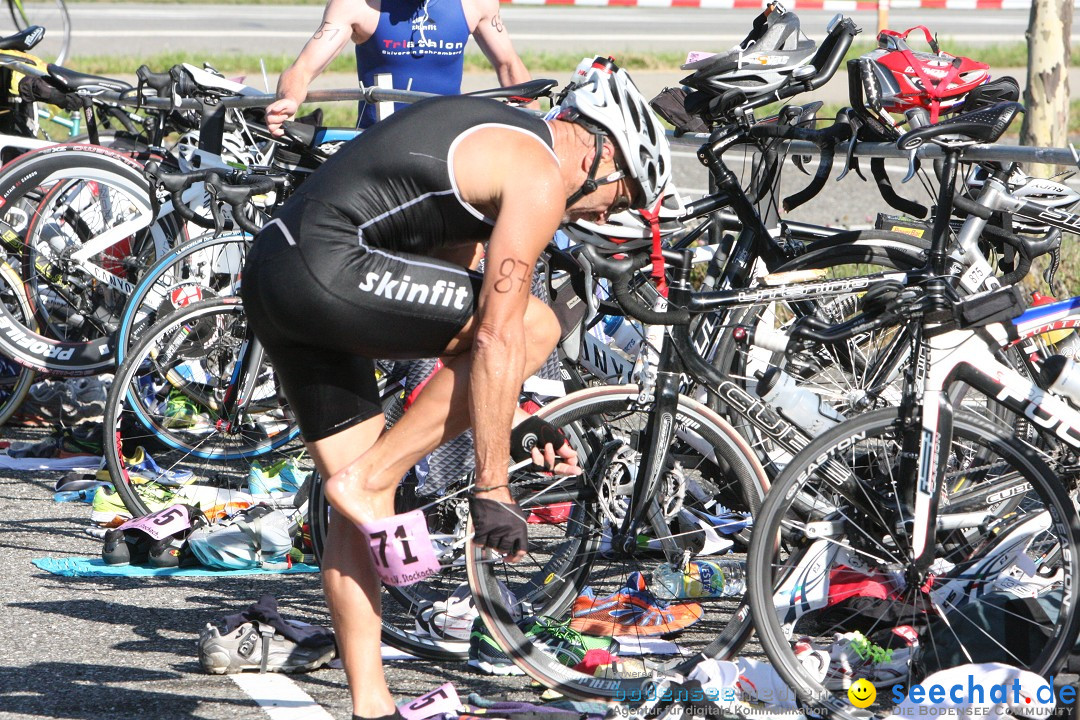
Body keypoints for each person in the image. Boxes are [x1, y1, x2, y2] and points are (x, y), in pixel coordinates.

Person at [241, 58, 671, 720]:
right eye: (628, 192)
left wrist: (517, 416)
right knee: (537, 321)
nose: (616, 209)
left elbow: (456, 330)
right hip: (325, 266)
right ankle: (374, 480)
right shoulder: (540, 173)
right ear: (603, 151)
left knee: (357, 506)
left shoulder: (492, 139)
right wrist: (492, 488)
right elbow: (501, 335)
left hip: (276, 274)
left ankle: (371, 705)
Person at [264, 0, 532, 134]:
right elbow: (303, 68)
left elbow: (508, 64)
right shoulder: (357, 5)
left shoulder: (475, 3)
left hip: (448, 140)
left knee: (471, 235)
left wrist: (536, 120)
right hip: (378, 143)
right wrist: (289, 99)